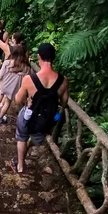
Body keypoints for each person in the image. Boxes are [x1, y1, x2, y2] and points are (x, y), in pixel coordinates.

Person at [11, 43, 69, 174]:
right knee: (36, 137)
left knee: (22, 137)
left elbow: (17, 100)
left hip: (28, 115)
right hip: (46, 119)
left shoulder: (29, 79)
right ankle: (26, 152)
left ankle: (20, 166)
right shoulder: (64, 80)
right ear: (53, 58)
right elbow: (64, 103)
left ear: (39, 57)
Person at [0, 43, 32, 123]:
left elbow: (0, 75)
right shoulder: (27, 68)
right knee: (7, 102)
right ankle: (0, 118)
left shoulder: (7, 63)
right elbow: (26, 80)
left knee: (1, 93)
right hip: (14, 89)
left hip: (4, 85)